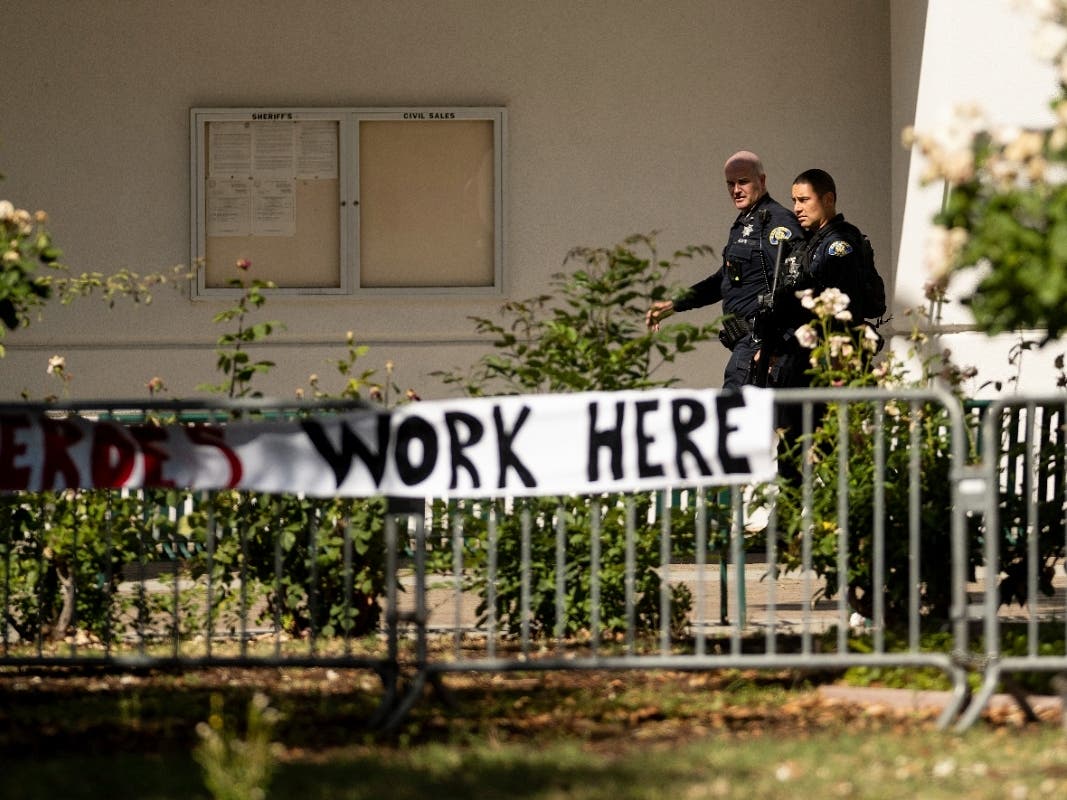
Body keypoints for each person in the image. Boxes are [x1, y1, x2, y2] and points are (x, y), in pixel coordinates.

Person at [645, 150, 803, 390]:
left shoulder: (777, 223)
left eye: (743, 182)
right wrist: (673, 304)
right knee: (774, 423)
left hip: (760, 344)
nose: (736, 190)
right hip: (745, 342)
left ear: (761, 180)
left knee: (734, 415)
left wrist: (775, 346)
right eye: (730, 184)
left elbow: (795, 285)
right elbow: (724, 280)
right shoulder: (746, 223)